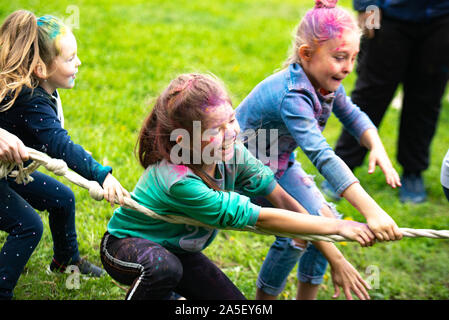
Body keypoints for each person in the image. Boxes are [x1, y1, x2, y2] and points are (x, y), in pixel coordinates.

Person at [100, 73, 378, 300]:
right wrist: (341, 227)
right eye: (215, 130)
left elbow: (280, 199)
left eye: (231, 120)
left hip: (179, 251)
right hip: (126, 247)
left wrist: (335, 256)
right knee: (164, 269)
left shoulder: (234, 152)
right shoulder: (179, 181)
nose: (230, 133)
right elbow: (261, 217)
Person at [235, 0, 402, 300]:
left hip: (279, 165)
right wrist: (372, 211)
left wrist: (376, 144)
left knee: (329, 226)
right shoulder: (293, 95)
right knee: (299, 237)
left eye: (353, 57)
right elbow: (322, 155)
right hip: (243, 171)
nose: (349, 67)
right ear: (306, 55)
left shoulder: (325, 83)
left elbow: (352, 114)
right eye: (340, 57)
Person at [0, 10, 129, 299]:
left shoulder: (37, 90)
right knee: (28, 226)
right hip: (2, 176)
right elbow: (60, 146)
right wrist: (101, 175)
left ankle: (66, 261)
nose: (78, 63)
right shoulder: (30, 100)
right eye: (70, 59)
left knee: (62, 199)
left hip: (8, 173)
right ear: (41, 69)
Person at [328, 0, 449, 204]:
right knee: (370, 93)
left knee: (427, 96)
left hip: (442, 18)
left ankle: (413, 171)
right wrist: (367, 7)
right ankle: (343, 167)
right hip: (387, 14)